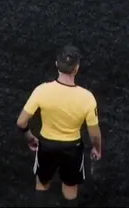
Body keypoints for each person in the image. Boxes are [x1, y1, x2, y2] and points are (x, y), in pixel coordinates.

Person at [15, 46, 102, 204]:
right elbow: (94, 133)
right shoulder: (87, 98)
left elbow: (21, 122)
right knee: (70, 188)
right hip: (72, 149)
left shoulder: (41, 90)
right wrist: (97, 148)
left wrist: (30, 138)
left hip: (47, 146)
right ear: (76, 68)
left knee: (42, 184)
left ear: (56, 64)